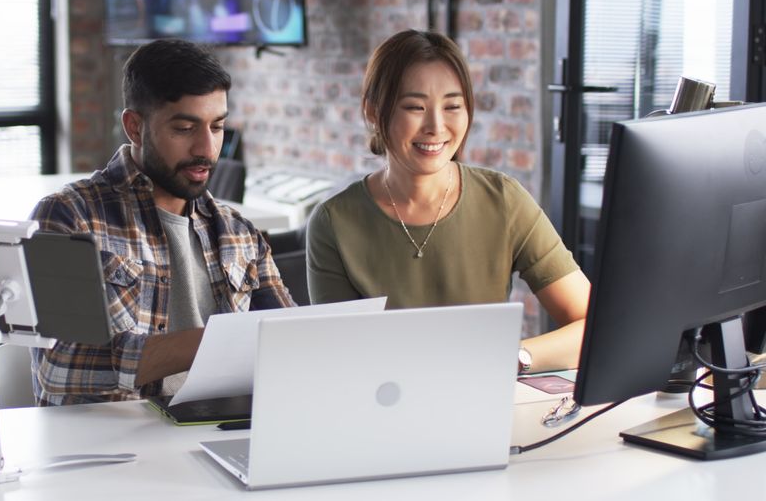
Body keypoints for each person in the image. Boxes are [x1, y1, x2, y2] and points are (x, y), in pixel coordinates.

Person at [306, 29, 590, 374]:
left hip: (488, 404)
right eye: (414, 107)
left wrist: (514, 356)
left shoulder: (504, 200)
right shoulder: (334, 222)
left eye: (453, 106)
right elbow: (339, 359)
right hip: (384, 409)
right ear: (372, 111)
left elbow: (591, 324)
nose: (436, 126)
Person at [31, 38, 295, 405]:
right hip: (107, 449)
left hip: (214, 436)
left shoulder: (239, 232)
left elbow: (292, 346)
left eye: (217, 127)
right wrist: (216, 340)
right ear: (135, 127)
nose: (206, 148)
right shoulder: (70, 217)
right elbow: (61, 368)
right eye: (185, 129)